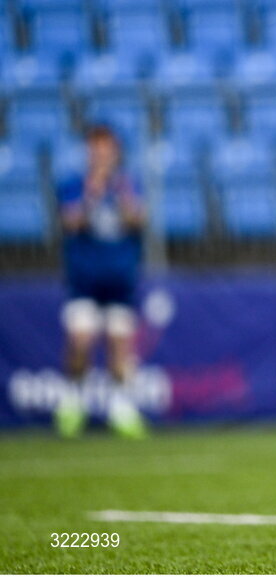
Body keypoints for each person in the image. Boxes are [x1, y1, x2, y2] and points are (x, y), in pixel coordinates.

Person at [53, 124, 148, 439]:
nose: (102, 155)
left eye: (107, 149)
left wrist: (119, 193)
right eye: (97, 149)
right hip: (85, 276)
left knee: (120, 347)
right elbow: (70, 221)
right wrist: (93, 193)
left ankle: (121, 409)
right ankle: (73, 402)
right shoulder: (73, 185)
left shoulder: (129, 184)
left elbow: (138, 219)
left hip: (120, 277)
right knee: (80, 341)